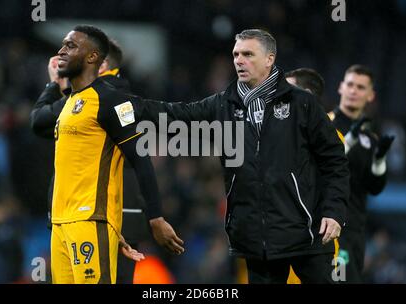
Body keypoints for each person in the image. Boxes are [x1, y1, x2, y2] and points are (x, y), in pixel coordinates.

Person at [137, 29, 349, 283]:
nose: (239, 60)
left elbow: (335, 160)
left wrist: (334, 211)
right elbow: (175, 113)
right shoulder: (223, 104)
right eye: (236, 54)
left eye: (248, 54)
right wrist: (126, 105)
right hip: (256, 239)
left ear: (269, 59)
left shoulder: (302, 103)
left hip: (305, 233)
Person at [40, 25, 184, 284]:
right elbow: (37, 122)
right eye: (63, 44)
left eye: (70, 45)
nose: (61, 51)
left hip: (90, 219)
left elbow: (140, 158)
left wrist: (156, 216)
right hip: (61, 223)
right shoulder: (71, 102)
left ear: (93, 57)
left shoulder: (111, 100)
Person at [30, 39, 150, 283]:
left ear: (100, 63)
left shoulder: (101, 98)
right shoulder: (106, 99)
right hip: (92, 214)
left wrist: (55, 84)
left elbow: (39, 120)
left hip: (93, 214)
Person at [329, 64, 394, 283]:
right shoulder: (323, 125)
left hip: (355, 228)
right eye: (350, 84)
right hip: (328, 224)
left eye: (360, 87)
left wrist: (379, 160)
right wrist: (347, 143)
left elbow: (375, 188)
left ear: (370, 95)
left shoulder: (370, 139)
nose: (353, 91)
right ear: (340, 87)